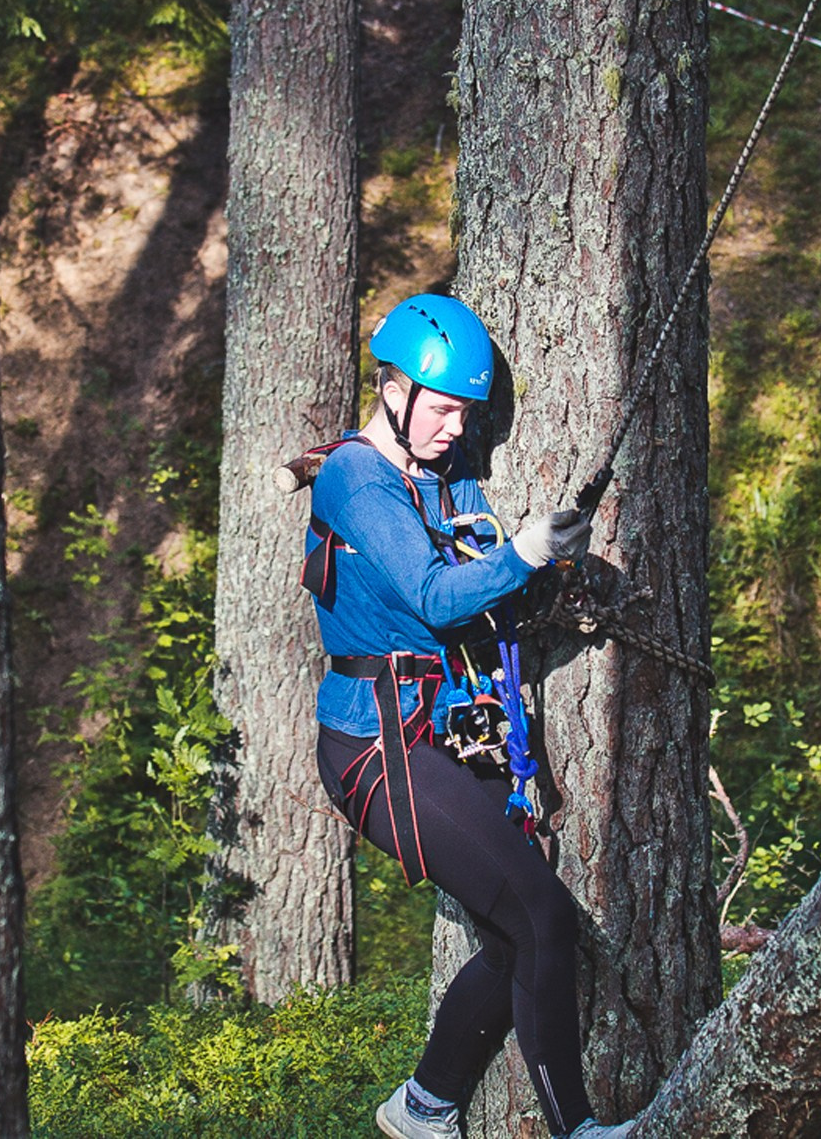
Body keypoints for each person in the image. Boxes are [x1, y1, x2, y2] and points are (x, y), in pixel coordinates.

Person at [299, 292, 632, 1139]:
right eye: (441, 408)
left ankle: (424, 1105)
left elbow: (479, 585)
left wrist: (541, 568)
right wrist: (526, 550)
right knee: (546, 918)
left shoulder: (441, 475)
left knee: (518, 934)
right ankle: (579, 1131)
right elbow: (435, 596)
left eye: (466, 413)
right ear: (392, 390)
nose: (455, 428)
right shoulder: (354, 476)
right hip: (375, 741)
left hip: (444, 727)